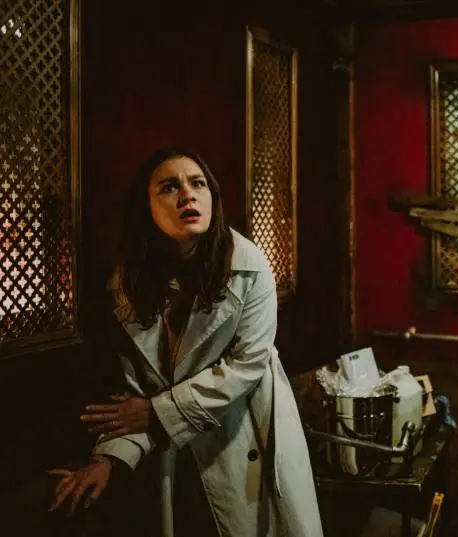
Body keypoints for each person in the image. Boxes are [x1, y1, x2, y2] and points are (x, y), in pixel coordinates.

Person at [46, 146, 324, 537]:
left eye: (198, 184)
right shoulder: (126, 282)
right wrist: (108, 458)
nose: (187, 195)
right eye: (169, 187)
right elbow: (135, 394)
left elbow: (246, 366)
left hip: (241, 433)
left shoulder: (249, 266)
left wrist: (158, 413)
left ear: (213, 197)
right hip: (172, 452)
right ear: (146, 207)